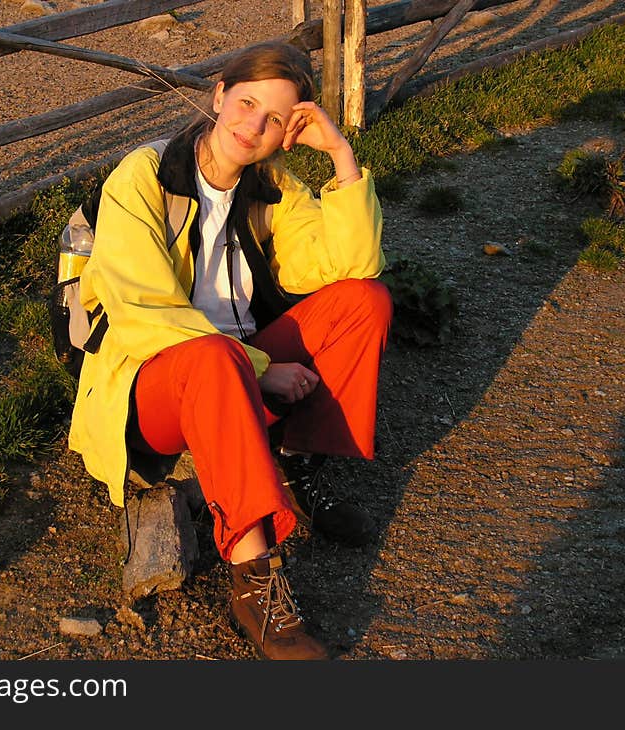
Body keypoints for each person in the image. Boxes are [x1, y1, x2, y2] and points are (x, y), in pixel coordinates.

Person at [68, 40, 392, 660]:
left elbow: (353, 263)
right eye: (245, 103)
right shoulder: (144, 176)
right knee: (215, 357)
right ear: (218, 95)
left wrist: (343, 161)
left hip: (240, 371)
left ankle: (297, 462)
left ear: (289, 132)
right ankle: (256, 582)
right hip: (156, 389)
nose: (253, 126)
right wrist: (261, 369)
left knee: (364, 301)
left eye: (275, 118)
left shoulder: (273, 187)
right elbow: (144, 314)